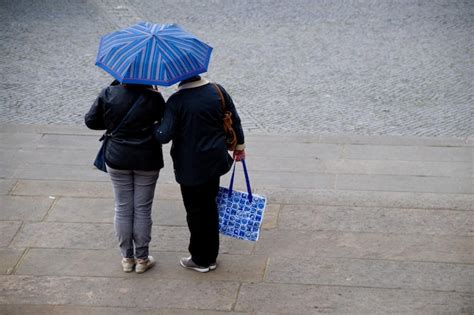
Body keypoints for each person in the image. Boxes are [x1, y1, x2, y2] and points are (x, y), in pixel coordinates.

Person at [154, 75, 245, 273]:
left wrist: (156, 120)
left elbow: (163, 136)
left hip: (190, 166)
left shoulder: (177, 101)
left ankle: (200, 259)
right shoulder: (217, 90)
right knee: (210, 207)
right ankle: (211, 256)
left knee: (195, 212)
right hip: (214, 161)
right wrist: (240, 146)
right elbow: (234, 118)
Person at [85, 80, 165, 273]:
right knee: (143, 209)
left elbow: (91, 121)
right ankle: (142, 259)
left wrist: (112, 122)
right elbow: (164, 127)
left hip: (117, 157)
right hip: (147, 158)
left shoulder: (109, 93)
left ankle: (127, 258)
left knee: (122, 207)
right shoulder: (155, 98)